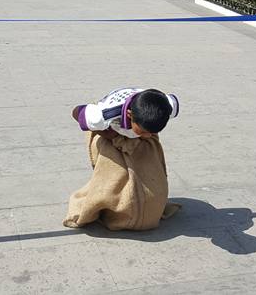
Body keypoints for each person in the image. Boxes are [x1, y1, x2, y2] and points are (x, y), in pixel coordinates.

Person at [64, 88, 180, 230]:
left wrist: (143, 134)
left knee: (149, 175)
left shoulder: (166, 106)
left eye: (153, 132)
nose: (148, 136)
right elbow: (76, 112)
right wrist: (111, 135)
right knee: (115, 180)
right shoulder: (103, 115)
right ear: (130, 115)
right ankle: (100, 208)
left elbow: (148, 130)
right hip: (109, 132)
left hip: (133, 129)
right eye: (144, 131)